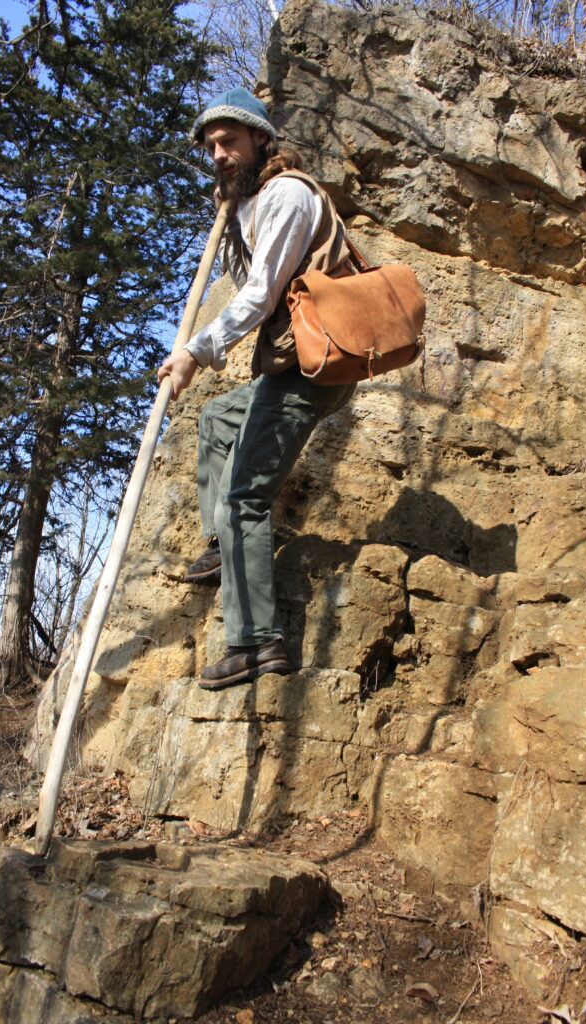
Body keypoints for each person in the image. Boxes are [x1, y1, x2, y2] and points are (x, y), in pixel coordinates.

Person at [158, 87, 357, 691]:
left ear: (260, 141)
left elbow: (261, 294)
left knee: (245, 496)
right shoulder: (248, 206)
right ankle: (224, 546)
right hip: (295, 368)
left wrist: (196, 350)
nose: (219, 153)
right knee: (219, 420)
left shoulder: (288, 195)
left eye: (230, 141)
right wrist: (233, 214)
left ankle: (255, 643)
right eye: (211, 146)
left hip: (313, 365)